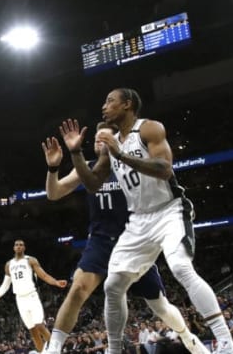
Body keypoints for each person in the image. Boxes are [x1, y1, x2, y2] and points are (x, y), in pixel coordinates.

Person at [59, 88, 233, 354]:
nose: (104, 107)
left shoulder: (149, 129)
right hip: (140, 220)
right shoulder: (111, 145)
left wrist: (121, 155)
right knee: (113, 285)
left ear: (127, 105)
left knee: (180, 266)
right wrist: (75, 153)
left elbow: (164, 168)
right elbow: (94, 184)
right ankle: (115, 350)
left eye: (110, 101)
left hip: (169, 210)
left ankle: (226, 343)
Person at [41, 122, 209, 354]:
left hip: (134, 242)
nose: (100, 142)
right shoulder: (87, 168)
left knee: (159, 305)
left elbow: (164, 190)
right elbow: (54, 193)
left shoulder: (134, 166)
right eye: (97, 139)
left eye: (105, 138)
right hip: (100, 241)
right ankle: (54, 348)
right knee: (78, 288)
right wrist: (53, 168)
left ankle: (187, 336)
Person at [0, 239, 68, 352]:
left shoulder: (30, 260)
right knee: (32, 331)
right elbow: (6, 284)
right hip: (20, 300)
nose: (18, 246)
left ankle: (56, 351)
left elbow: (44, 276)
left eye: (21, 245)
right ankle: (42, 352)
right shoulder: (9, 264)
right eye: (16, 245)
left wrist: (55, 282)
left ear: (24, 248)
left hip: (32, 296)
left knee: (40, 325)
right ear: (13, 248)